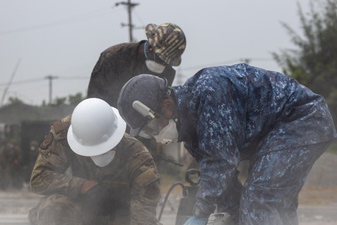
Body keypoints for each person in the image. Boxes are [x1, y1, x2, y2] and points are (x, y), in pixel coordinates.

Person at [116, 63, 337, 225]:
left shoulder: (210, 93)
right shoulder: (191, 133)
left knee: (261, 198)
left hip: (301, 120)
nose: (155, 137)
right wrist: (231, 214)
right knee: (271, 204)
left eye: (152, 128)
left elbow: (221, 162)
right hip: (276, 133)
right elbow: (225, 183)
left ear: (166, 106)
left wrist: (200, 214)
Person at [28, 98, 161, 225]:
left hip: (123, 215)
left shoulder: (139, 159)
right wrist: (80, 185)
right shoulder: (64, 134)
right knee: (53, 207)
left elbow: (143, 217)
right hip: (82, 210)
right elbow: (39, 179)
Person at [87, 23, 186, 166]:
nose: (163, 65)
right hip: (106, 129)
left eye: (166, 62)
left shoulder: (167, 72)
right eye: (160, 59)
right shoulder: (113, 58)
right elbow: (93, 102)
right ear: (150, 47)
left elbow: (160, 109)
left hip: (142, 133)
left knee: (146, 172)